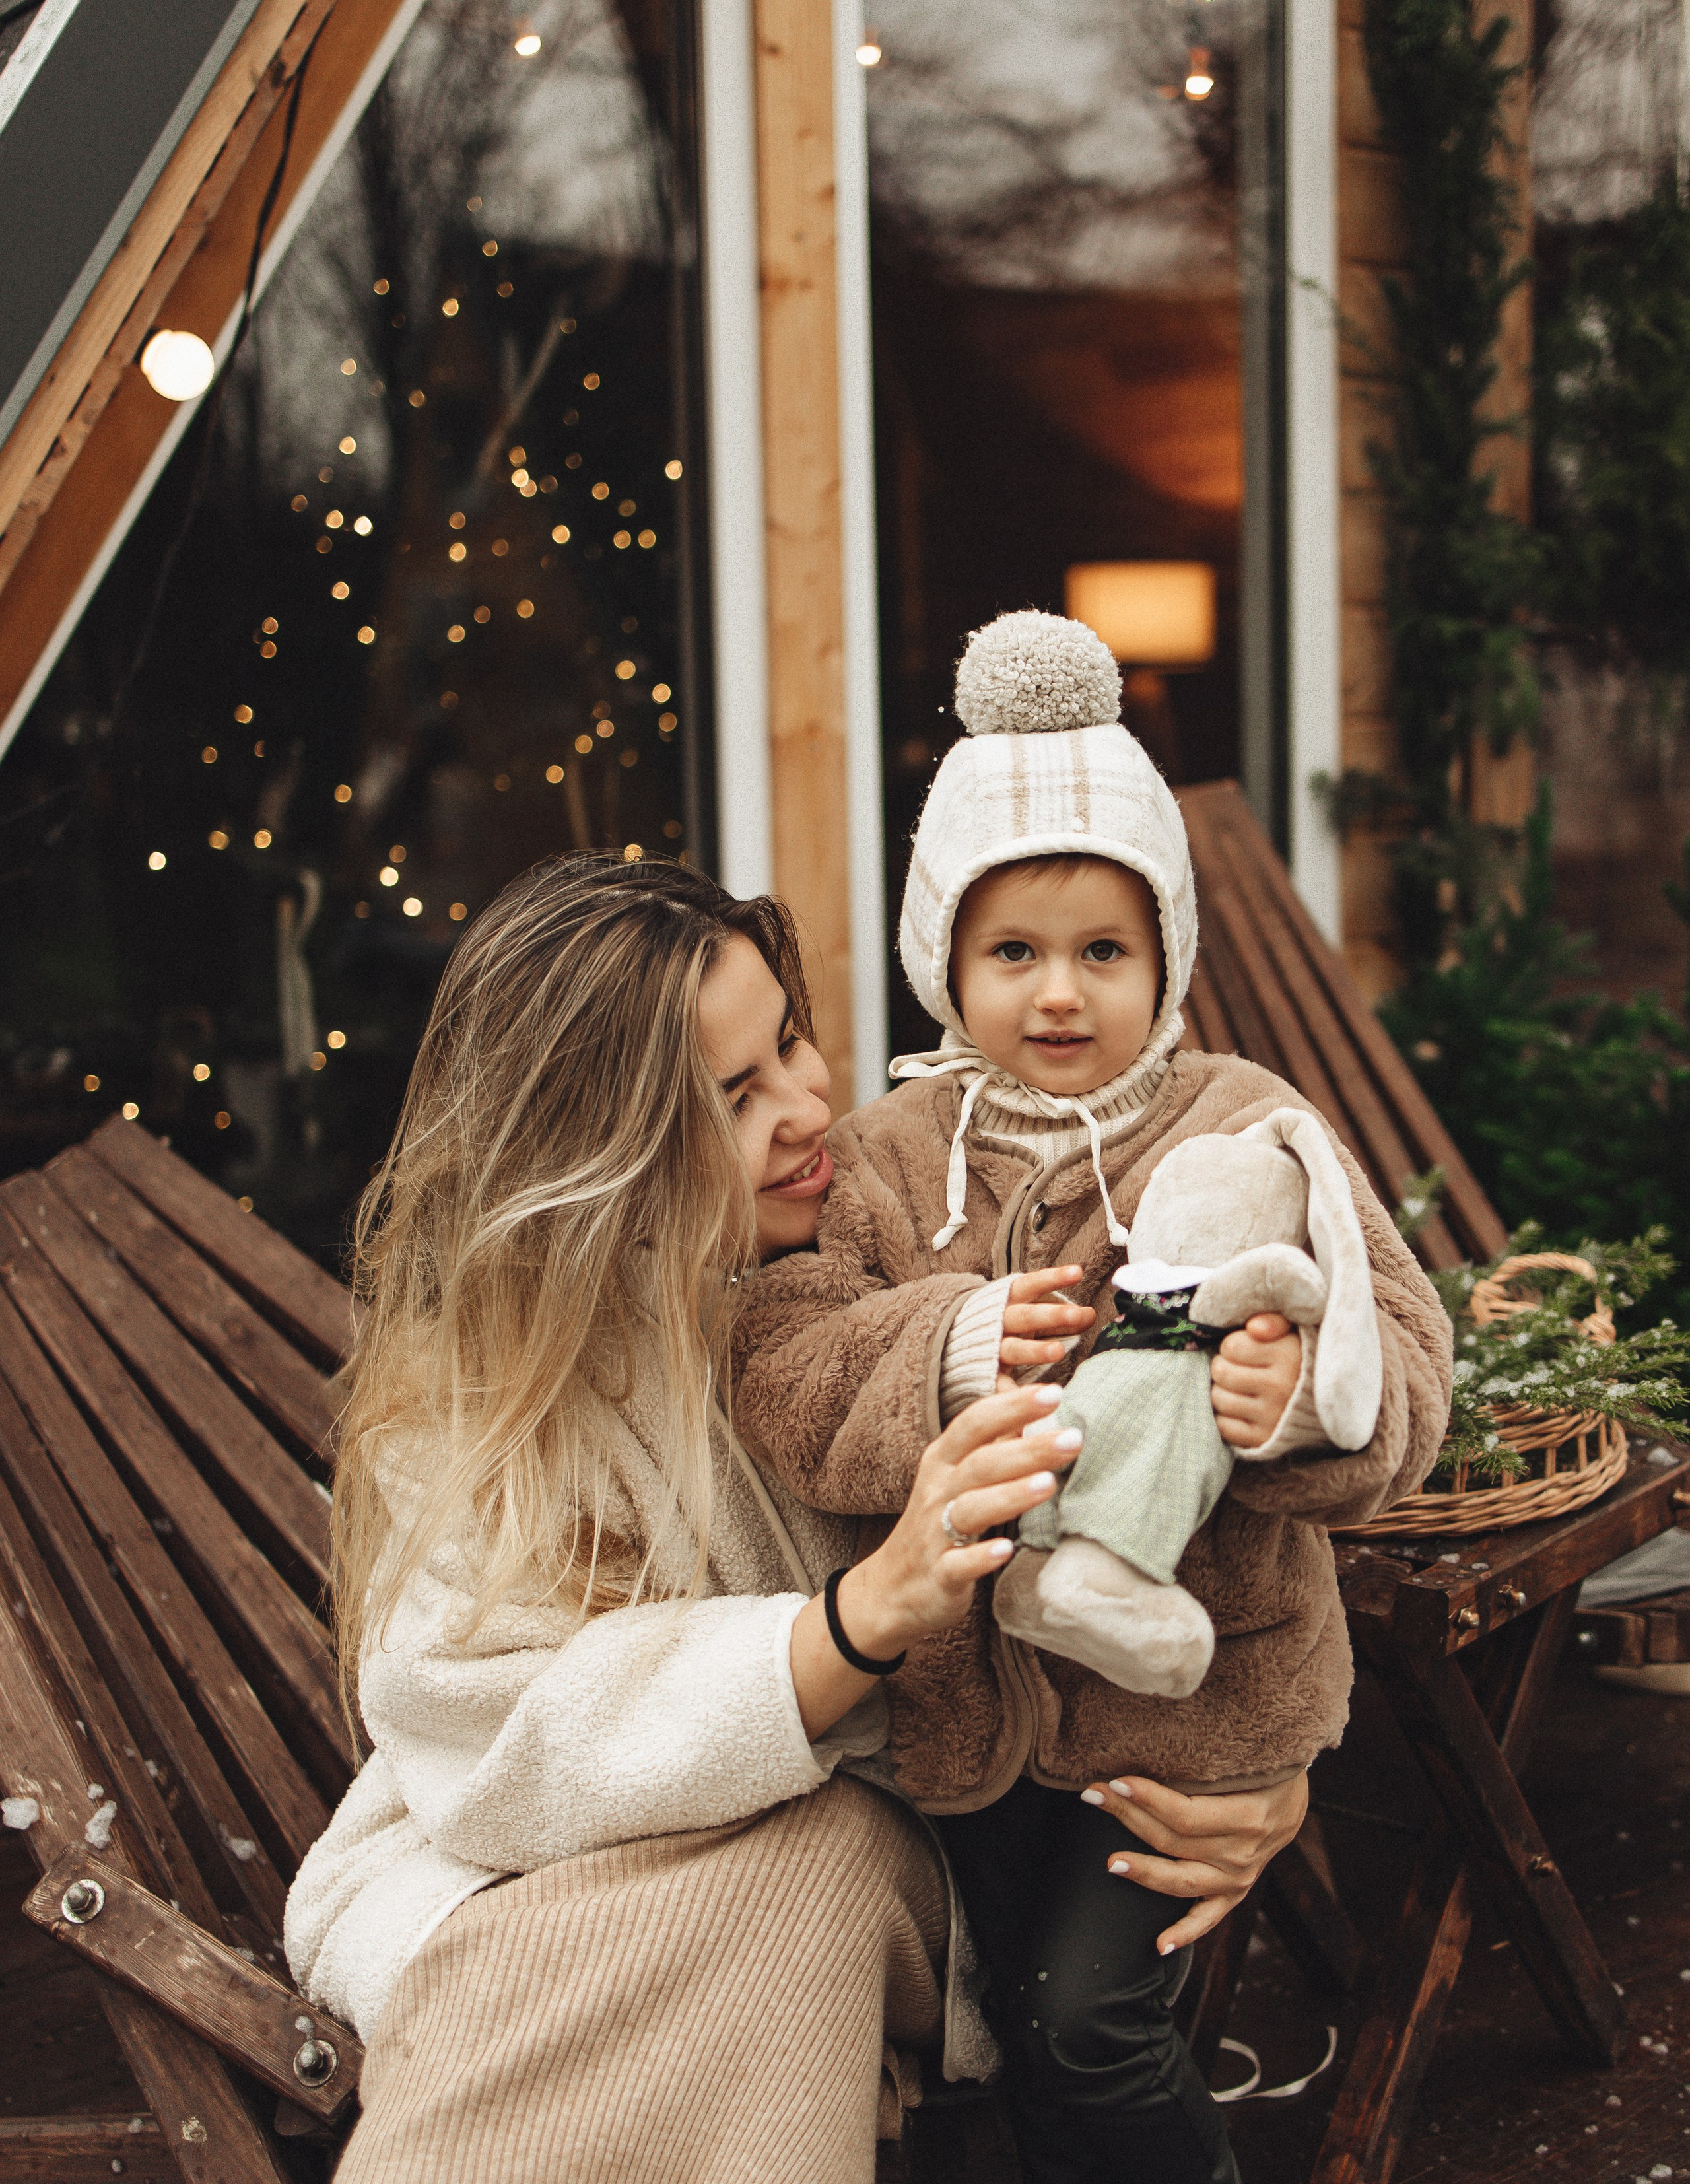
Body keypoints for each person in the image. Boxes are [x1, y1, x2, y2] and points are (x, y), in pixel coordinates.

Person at [733, 611, 1454, 2184]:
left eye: (1102, 951)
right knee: (1004, 2028)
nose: (1057, 995)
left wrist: (1307, 1402)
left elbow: (1401, 1330)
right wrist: (941, 1343)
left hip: (1189, 1703)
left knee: (1080, 2019)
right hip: (965, 1708)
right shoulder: (882, 1158)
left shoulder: (1243, 1119)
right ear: (946, 958)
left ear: (1164, 955)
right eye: (1012, 952)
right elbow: (781, 1360)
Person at [285, 854, 1092, 2182]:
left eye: (789, 1039)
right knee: (739, 1906)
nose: (807, 1105)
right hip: (572, 1887)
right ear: (590, 1155)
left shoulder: (909, 1250)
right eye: (733, 1095)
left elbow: (1159, 1522)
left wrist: (1238, 1774)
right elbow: (463, 1709)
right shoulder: (491, 1384)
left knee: (800, 1871)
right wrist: (847, 1624)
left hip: (884, 1843)